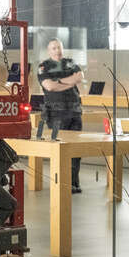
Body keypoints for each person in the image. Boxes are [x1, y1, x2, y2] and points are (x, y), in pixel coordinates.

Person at [38, 38, 84, 193]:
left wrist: (59, 82)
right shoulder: (44, 66)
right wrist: (69, 82)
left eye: (59, 47)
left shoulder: (69, 63)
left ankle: (73, 183)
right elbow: (49, 86)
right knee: (60, 149)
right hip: (56, 113)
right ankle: (61, 184)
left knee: (76, 150)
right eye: (53, 48)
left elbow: (79, 77)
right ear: (48, 51)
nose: (57, 51)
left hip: (75, 111)